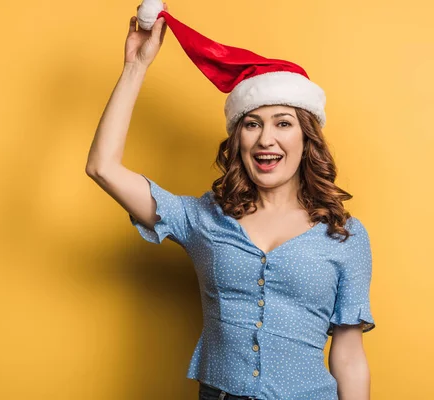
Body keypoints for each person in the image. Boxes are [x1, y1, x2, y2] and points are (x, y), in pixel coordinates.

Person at [85, 3, 376, 399]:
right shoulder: (203, 217)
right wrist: (136, 67)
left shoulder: (345, 237)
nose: (265, 139)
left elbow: (349, 353)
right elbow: (103, 167)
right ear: (238, 140)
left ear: (307, 140)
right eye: (252, 124)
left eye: (283, 123)